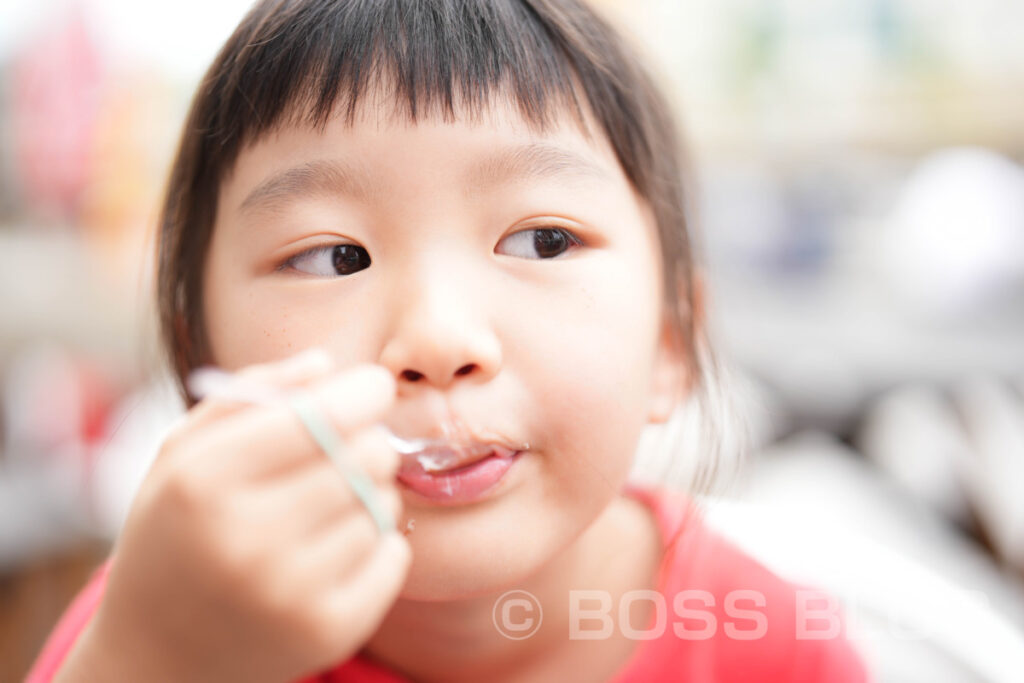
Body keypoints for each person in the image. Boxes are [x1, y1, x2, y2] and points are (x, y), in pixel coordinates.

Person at [28, 0, 869, 680]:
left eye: (543, 240)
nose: (435, 338)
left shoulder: (770, 644)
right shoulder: (164, 622)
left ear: (669, 341)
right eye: (333, 256)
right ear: (201, 360)